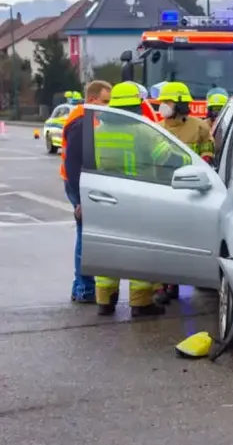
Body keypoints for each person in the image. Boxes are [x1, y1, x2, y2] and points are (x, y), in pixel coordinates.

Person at [91, 82, 167, 317]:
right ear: (136, 105)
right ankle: (140, 303)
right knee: (139, 250)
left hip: (104, 198)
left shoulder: (97, 131)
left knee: (107, 250)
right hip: (137, 198)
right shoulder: (144, 130)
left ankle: (105, 301)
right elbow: (164, 157)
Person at [153, 81, 214, 303]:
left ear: (179, 104)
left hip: (192, 192)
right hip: (164, 191)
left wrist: (200, 162)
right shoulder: (157, 128)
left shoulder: (199, 127)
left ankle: (183, 277)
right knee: (163, 241)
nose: (163, 107)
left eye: (167, 102)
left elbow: (208, 154)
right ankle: (164, 285)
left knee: (186, 241)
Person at [62, 80, 112, 304]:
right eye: (105, 101)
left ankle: (81, 287)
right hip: (79, 185)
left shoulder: (87, 117)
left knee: (85, 233)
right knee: (85, 235)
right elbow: (73, 162)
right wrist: (81, 200)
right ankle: (84, 288)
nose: (109, 106)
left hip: (82, 183)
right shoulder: (82, 121)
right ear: (92, 100)